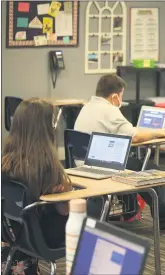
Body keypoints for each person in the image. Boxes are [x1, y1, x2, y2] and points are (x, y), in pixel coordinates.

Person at [1, 98, 102, 274]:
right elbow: (64, 209)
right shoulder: (46, 166)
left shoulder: (7, 160)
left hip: (15, 232)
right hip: (42, 238)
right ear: (46, 128)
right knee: (95, 207)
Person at [74, 74, 165, 232]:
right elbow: (135, 136)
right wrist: (156, 133)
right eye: (121, 95)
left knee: (129, 161)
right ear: (114, 96)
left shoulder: (87, 107)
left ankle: (130, 211)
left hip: (82, 162)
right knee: (148, 169)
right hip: (102, 165)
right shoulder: (109, 110)